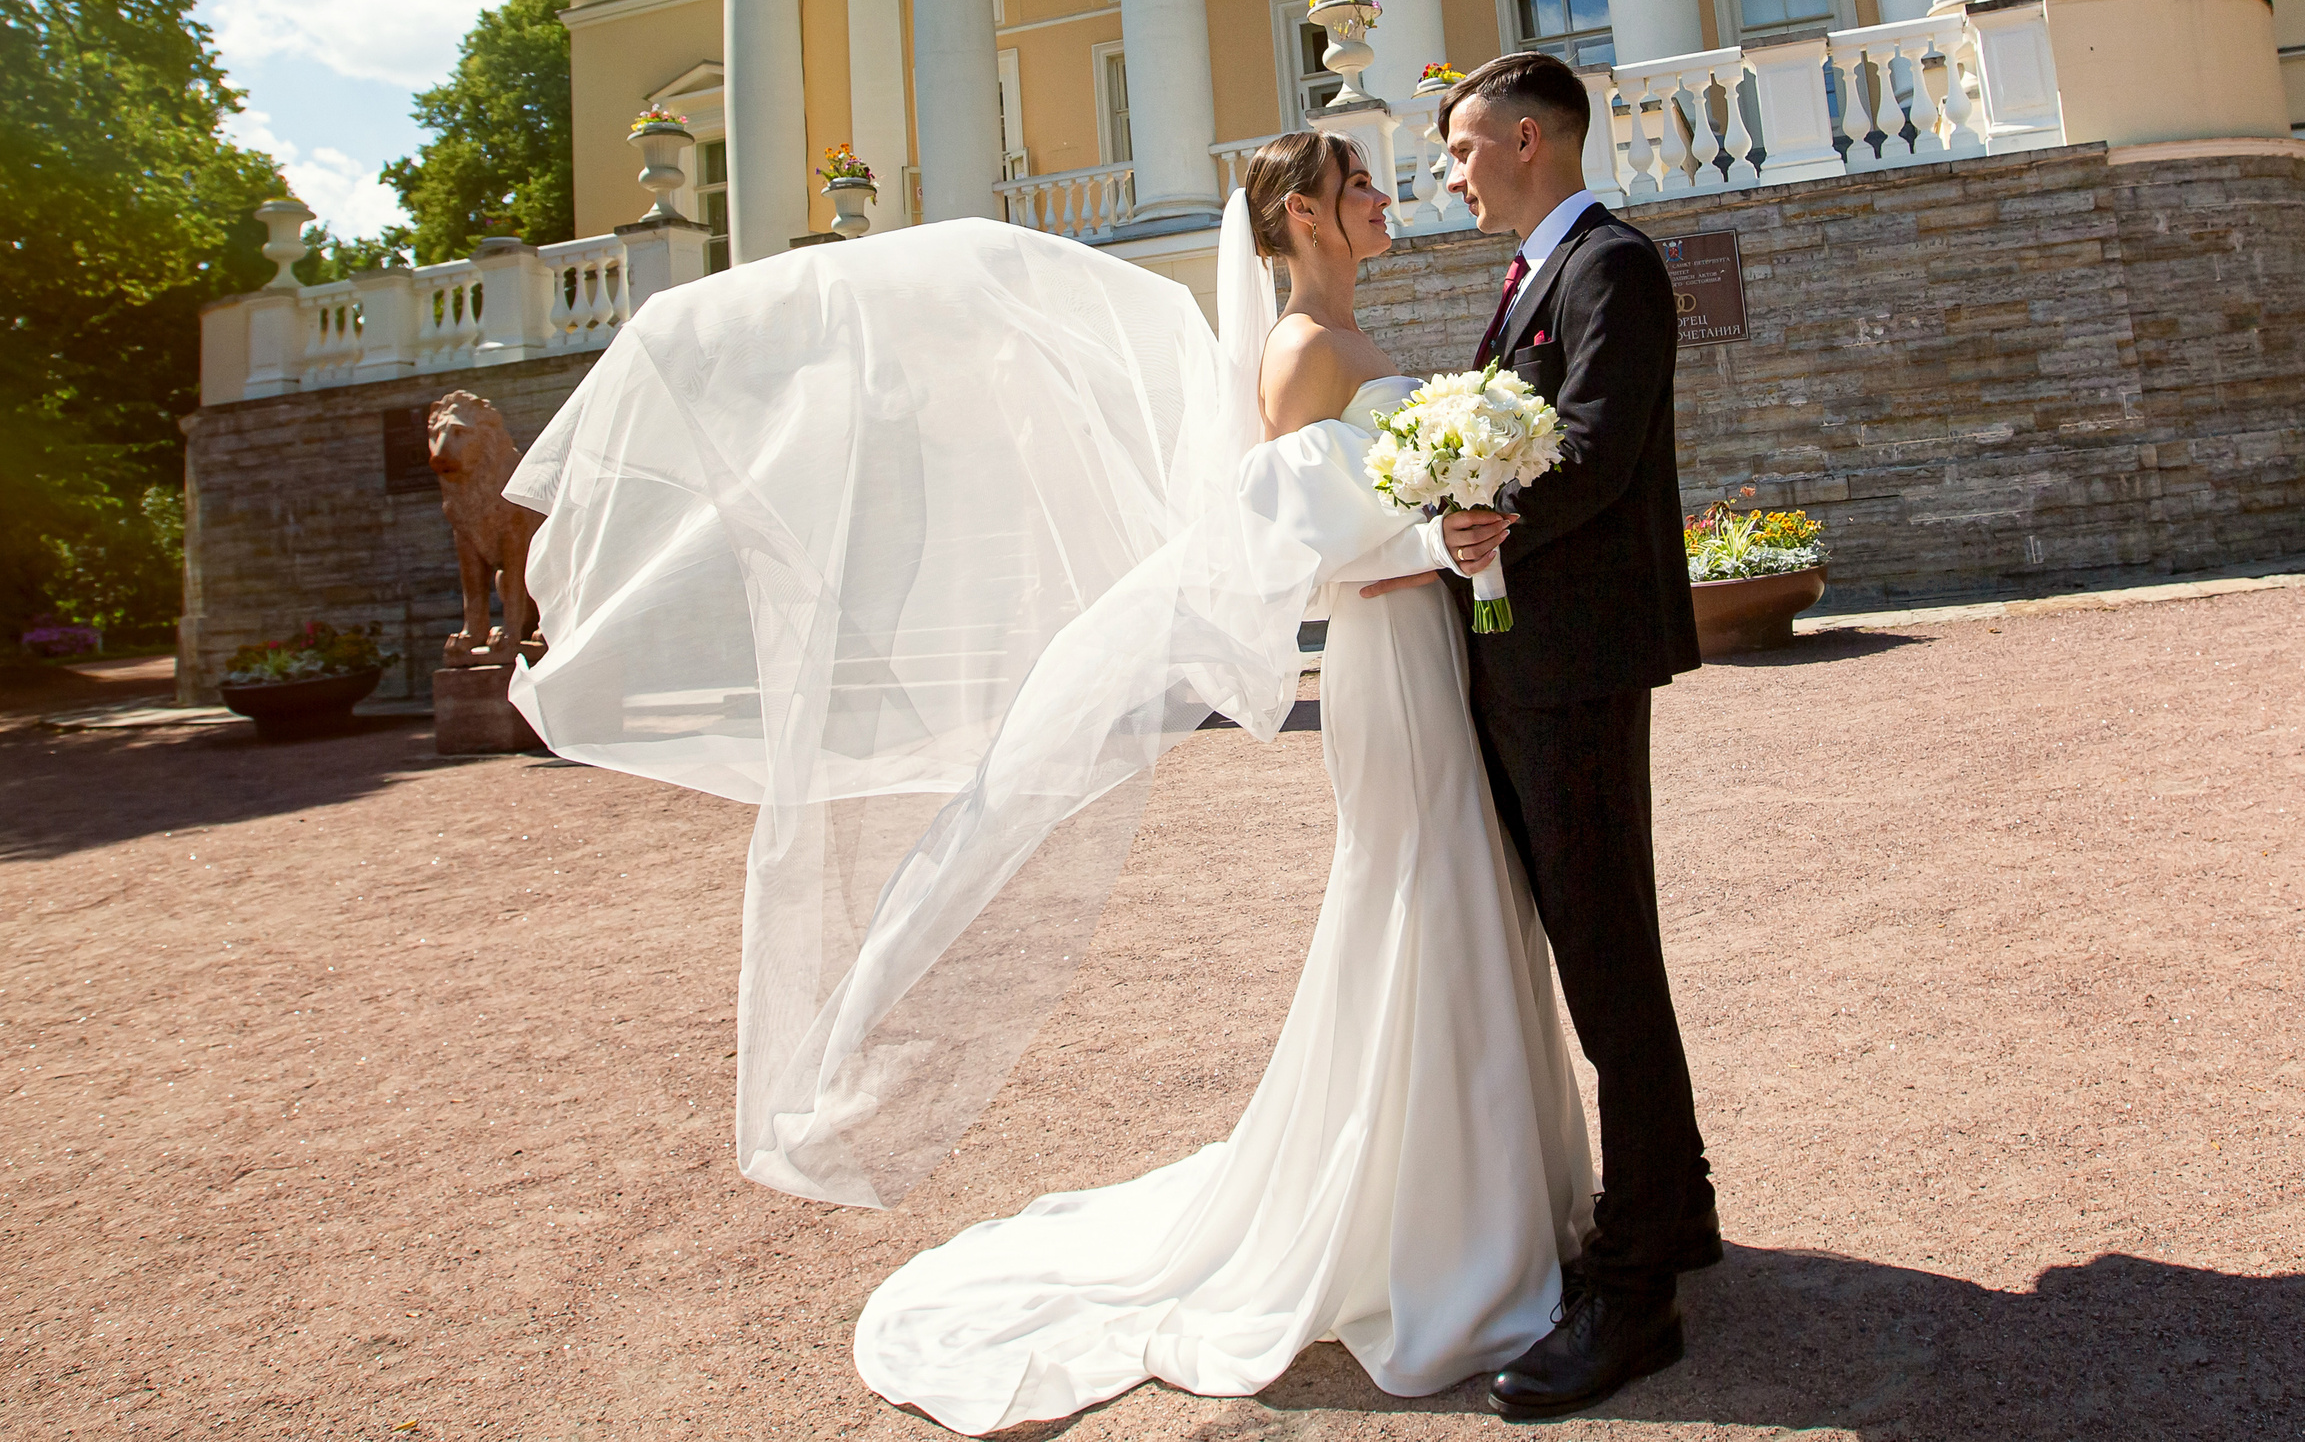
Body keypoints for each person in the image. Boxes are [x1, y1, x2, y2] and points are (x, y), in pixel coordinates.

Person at [507, 135, 1596, 1435]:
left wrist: (1448, 528)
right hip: (1388, 666)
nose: (1383, 198)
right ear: (1303, 213)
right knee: (1422, 899)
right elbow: (1291, 561)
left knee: (1458, 895)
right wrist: (1434, 535)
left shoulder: (1349, 343)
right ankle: (1436, 1238)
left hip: (1429, 657)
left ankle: (1485, 1204)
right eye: (1357, 184)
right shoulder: (1304, 354)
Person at [1420, 49, 1717, 1418]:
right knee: (1598, 945)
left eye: (1468, 148)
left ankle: (1635, 1285)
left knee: (1608, 961)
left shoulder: (1613, 267)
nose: (1454, 171)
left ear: (1533, 138)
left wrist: (1493, 519)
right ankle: (1685, 1204)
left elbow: (1597, 441)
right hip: (1533, 662)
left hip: (1581, 669)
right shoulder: (1541, 272)